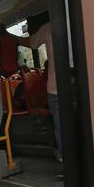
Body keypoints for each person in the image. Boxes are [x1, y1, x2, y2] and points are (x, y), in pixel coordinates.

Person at [11, 21, 62, 162]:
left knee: (60, 126)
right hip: (62, 88)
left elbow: (31, 43)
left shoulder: (47, 27)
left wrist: (11, 37)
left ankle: (64, 155)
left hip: (55, 89)